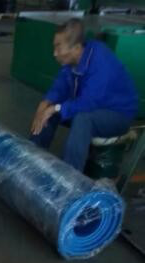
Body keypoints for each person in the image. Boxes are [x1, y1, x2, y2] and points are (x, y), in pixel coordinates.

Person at [30, 18, 138, 172]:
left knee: (82, 119)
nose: (55, 53)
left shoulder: (100, 60)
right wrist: (46, 103)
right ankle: (30, 159)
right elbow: (60, 86)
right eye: (54, 47)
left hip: (118, 115)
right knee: (47, 111)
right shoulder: (72, 60)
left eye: (59, 48)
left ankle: (69, 177)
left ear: (76, 48)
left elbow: (89, 102)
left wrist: (56, 108)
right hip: (91, 107)